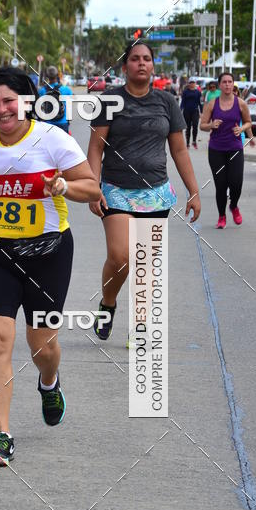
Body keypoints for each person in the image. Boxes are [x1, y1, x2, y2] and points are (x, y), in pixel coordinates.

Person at [0, 67, 100, 467]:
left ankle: (49, 382)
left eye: (8, 101)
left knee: (42, 345)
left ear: (26, 102)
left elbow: (92, 187)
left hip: (49, 254)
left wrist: (64, 186)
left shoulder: (52, 139)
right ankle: (2, 435)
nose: (1, 109)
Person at [87, 41, 201, 342]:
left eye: (146, 59)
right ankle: (108, 304)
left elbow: (179, 149)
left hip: (156, 193)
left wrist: (193, 190)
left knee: (146, 265)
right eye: (135, 59)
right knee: (121, 256)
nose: (141, 63)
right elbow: (96, 147)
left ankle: (140, 326)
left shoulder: (166, 102)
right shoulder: (109, 100)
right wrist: (91, 188)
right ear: (125, 66)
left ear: (152, 66)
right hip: (115, 190)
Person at [200, 71, 253, 228]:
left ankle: (234, 206)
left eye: (230, 82)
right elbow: (202, 125)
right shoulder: (212, 104)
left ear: (233, 84)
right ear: (219, 85)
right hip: (216, 150)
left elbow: (249, 122)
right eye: (224, 82)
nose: (228, 85)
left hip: (235, 148)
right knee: (221, 185)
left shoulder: (240, 103)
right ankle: (221, 216)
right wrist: (211, 125)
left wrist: (242, 129)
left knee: (236, 183)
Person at [38, 65, 73, 134]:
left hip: (48, 124)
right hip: (63, 123)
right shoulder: (66, 90)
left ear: (47, 76)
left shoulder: (42, 91)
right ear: (57, 75)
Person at [180, 79, 202, 148]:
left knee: (195, 126)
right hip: (187, 111)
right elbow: (183, 102)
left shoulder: (198, 92)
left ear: (195, 84)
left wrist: (202, 112)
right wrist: (180, 110)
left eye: (193, 83)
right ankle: (187, 143)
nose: (192, 84)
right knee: (188, 127)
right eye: (191, 83)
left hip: (195, 111)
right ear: (189, 84)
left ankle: (194, 141)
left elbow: (200, 103)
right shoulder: (185, 92)